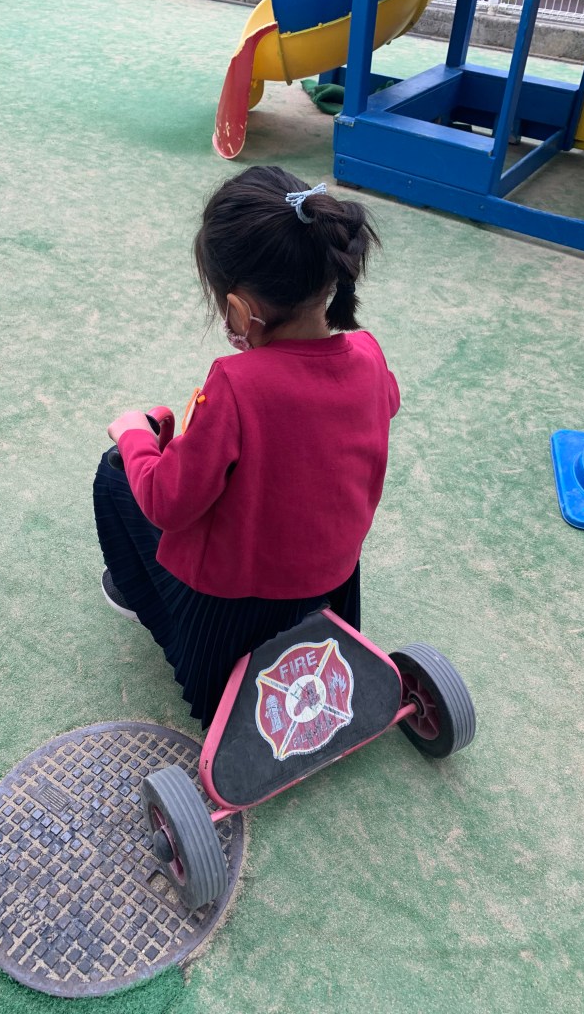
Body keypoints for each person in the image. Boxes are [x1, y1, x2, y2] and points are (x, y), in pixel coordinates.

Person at [93, 165, 400, 727]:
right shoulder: (368, 355)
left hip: (230, 616)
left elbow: (168, 501)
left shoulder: (237, 385)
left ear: (238, 310)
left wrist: (135, 434)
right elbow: (381, 404)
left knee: (116, 473)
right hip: (330, 584)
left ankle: (136, 592)